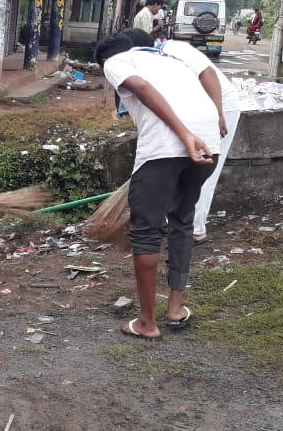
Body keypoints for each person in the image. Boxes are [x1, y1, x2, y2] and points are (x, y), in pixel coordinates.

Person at [94, 33, 220, 341]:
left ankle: (147, 323)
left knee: (146, 232)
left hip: (173, 144)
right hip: (209, 144)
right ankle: (175, 309)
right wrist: (217, 118)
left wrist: (184, 134)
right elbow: (209, 75)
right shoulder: (170, 59)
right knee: (182, 219)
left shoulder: (116, 61)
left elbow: (140, 87)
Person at [121, 29, 243, 245]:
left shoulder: (174, 48)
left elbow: (208, 73)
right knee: (183, 163)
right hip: (193, 109)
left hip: (220, 106)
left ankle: (196, 229)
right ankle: (176, 222)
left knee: (205, 166)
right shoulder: (149, 62)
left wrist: (218, 113)